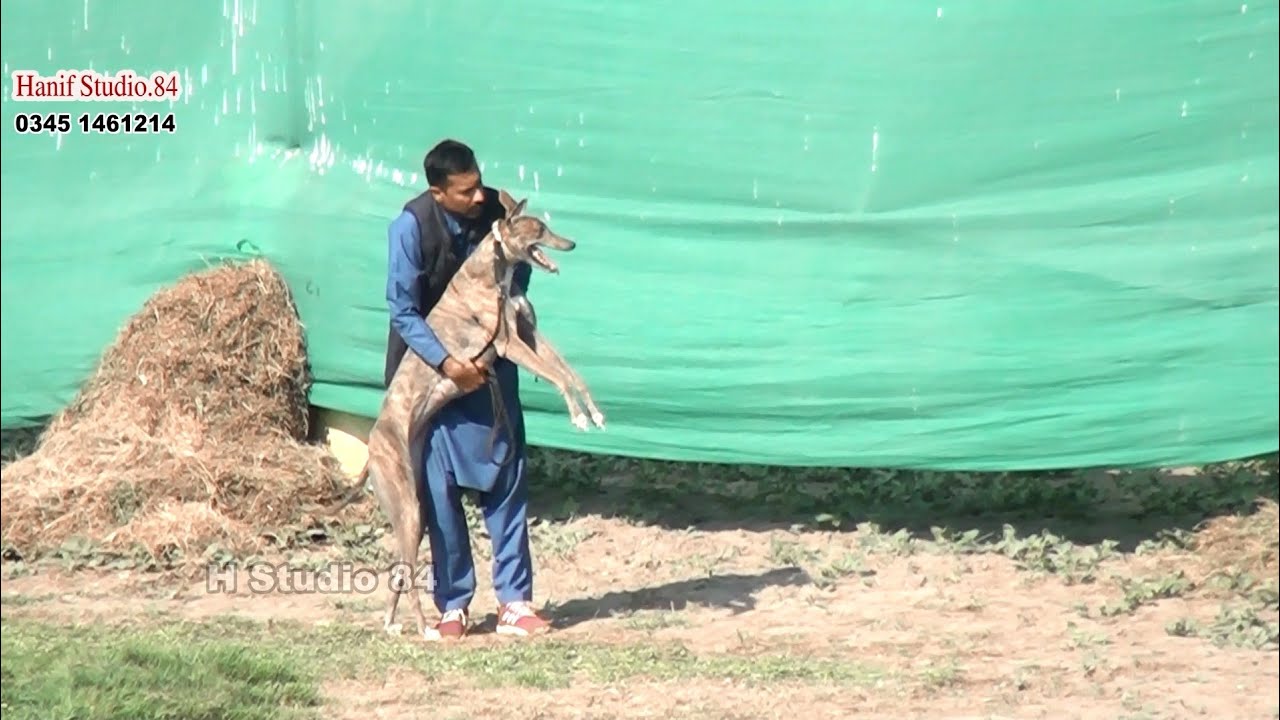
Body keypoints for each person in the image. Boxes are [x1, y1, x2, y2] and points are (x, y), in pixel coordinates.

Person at [384, 138, 551, 641]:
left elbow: (517, 269)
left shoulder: (499, 208)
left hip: (490, 364)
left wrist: (493, 341)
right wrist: (447, 363)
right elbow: (402, 309)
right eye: (466, 190)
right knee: (438, 490)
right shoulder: (411, 227)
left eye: (480, 182)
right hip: (430, 377)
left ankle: (515, 603)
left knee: (506, 476)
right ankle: (453, 605)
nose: (479, 197)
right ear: (438, 193)